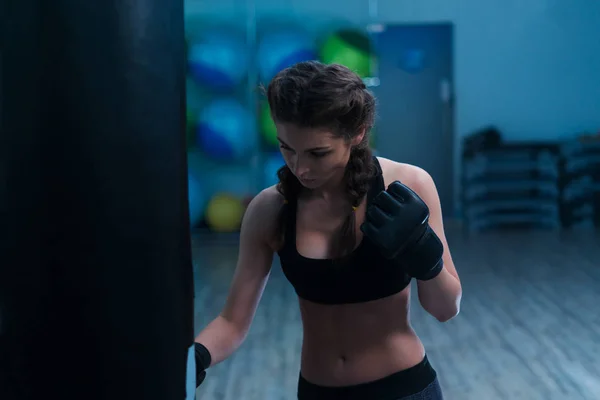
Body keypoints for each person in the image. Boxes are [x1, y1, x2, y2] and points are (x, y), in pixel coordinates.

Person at [194, 60, 462, 400]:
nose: (300, 168)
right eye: (287, 149)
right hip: (318, 392)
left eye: (317, 153)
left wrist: (426, 257)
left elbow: (445, 309)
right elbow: (232, 323)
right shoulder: (270, 210)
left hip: (404, 389)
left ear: (359, 132)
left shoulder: (406, 186)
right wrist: (195, 358)